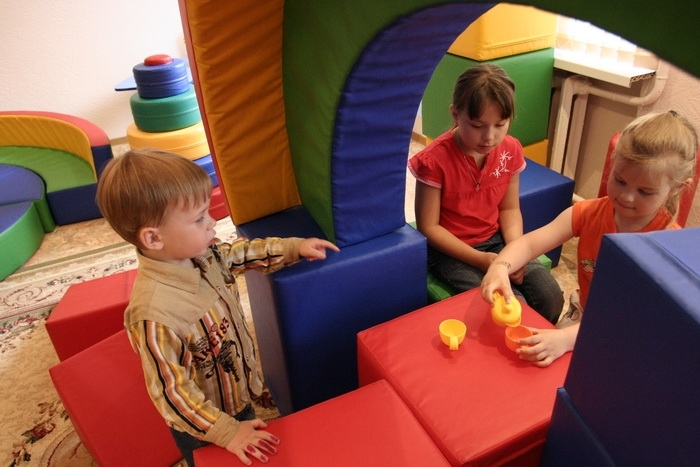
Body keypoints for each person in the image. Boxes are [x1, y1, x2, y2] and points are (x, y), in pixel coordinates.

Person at [96, 149, 340, 466]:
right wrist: (228, 433)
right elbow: (173, 395)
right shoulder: (154, 316)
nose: (212, 222)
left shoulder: (203, 255)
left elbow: (241, 254)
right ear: (154, 238)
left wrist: (293, 247)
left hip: (235, 394)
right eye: (199, 218)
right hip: (203, 426)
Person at [481, 110, 698, 367]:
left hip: (631, 334)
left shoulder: (668, 246)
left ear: (676, 188)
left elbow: (636, 319)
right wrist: (500, 266)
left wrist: (567, 339)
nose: (627, 196)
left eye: (645, 191)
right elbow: (529, 244)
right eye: (620, 180)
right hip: (585, 315)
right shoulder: (590, 213)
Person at [408, 63, 563, 323]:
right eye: (477, 125)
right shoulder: (434, 160)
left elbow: (509, 209)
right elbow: (429, 227)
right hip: (452, 250)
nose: (489, 137)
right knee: (511, 305)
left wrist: (516, 252)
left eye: (500, 124)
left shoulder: (510, 149)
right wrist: (481, 260)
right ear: (455, 114)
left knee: (550, 296)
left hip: (496, 239)